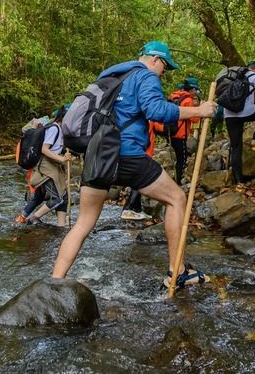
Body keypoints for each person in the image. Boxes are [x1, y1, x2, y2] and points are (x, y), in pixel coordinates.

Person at [51, 41, 217, 290]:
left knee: (83, 224)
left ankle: (53, 282)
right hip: (126, 154)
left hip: (98, 154)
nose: (164, 72)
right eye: (165, 66)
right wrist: (199, 111)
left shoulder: (112, 75)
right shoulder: (145, 76)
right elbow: (156, 110)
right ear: (154, 60)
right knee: (176, 199)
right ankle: (178, 272)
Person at [17, 106, 74, 227]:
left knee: (43, 197)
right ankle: (33, 219)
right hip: (46, 168)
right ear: (63, 118)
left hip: (50, 166)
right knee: (58, 198)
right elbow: (44, 149)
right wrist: (62, 159)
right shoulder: (55, 128)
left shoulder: (59, 129)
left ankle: (60, 225)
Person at [163, 76, 201, 185]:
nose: (196, 92)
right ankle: (178, 182)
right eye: (196, 90)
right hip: (180, 133)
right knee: (182, 159)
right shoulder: (188, 100)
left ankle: (176, 179)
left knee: (178, 157)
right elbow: (194, 119)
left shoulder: (175, 97)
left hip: (171, 132)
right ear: (192, 89)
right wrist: (200, 110)